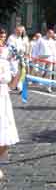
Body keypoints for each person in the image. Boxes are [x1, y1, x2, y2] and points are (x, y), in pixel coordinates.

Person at [0, 32, 20, 179]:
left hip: (3, 97)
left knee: (6, 136)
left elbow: (11, 85)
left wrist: (20, 73)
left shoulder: (6, 60)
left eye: (3, 37)